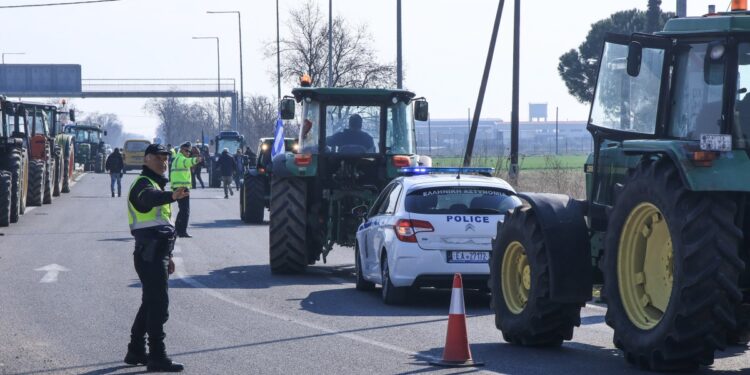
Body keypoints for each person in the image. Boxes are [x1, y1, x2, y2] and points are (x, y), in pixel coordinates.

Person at [124, 143, 189, 372]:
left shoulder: (155, 183)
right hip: (149, 253)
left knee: (150, 303)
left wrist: (168, 256)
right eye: (159, 158)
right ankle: (156, 356)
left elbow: (161, 225)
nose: (164, 162)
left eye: (165, 159)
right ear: (146, 160)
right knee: (159, 305)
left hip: (157, 252)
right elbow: (147, 199)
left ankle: (135, 351)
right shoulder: (143, 184)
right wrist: (171, 195)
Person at [170, 142, 201, 238]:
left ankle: (177, 230)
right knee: (185, 211)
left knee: (182, 210)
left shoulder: (178, 158)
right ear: (182, 149)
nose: (188, 153)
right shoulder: (180, 159)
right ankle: (182, 231)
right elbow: (187, 163)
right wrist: (196, 159)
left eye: (189, 151)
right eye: (187, 151)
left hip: (179, 186)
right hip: (181, 187)